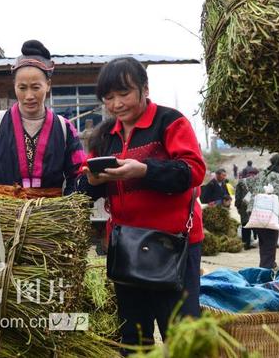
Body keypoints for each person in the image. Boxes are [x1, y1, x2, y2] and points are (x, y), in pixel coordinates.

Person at [77, 57, 205, 352]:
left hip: (173, 245)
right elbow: (82, 191)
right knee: (134, 336)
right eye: (109, 97)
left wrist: (143, 170)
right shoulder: (104, 137)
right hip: (126, 248)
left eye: (124, 94)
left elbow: (193, 171)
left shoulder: (169, 121)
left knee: (181, 334)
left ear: (144, 89)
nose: (117, 104)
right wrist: (92, 182)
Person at [0, 40, 85, 198]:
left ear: (48, 85)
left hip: (49, 217)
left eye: (36, 87)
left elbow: (79, 174)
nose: (29, 96)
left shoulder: (64, 129)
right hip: (0, 216)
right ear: (14, 86)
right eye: (22, 88)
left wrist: (67, 209)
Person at [246, 153, 279, 269]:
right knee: (270, 245)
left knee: (264, 243)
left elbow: (248, 184)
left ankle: (267, 265)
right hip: (269, 217)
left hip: (256, 214)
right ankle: (267, 269)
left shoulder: (262, 173)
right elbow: (278, 199)